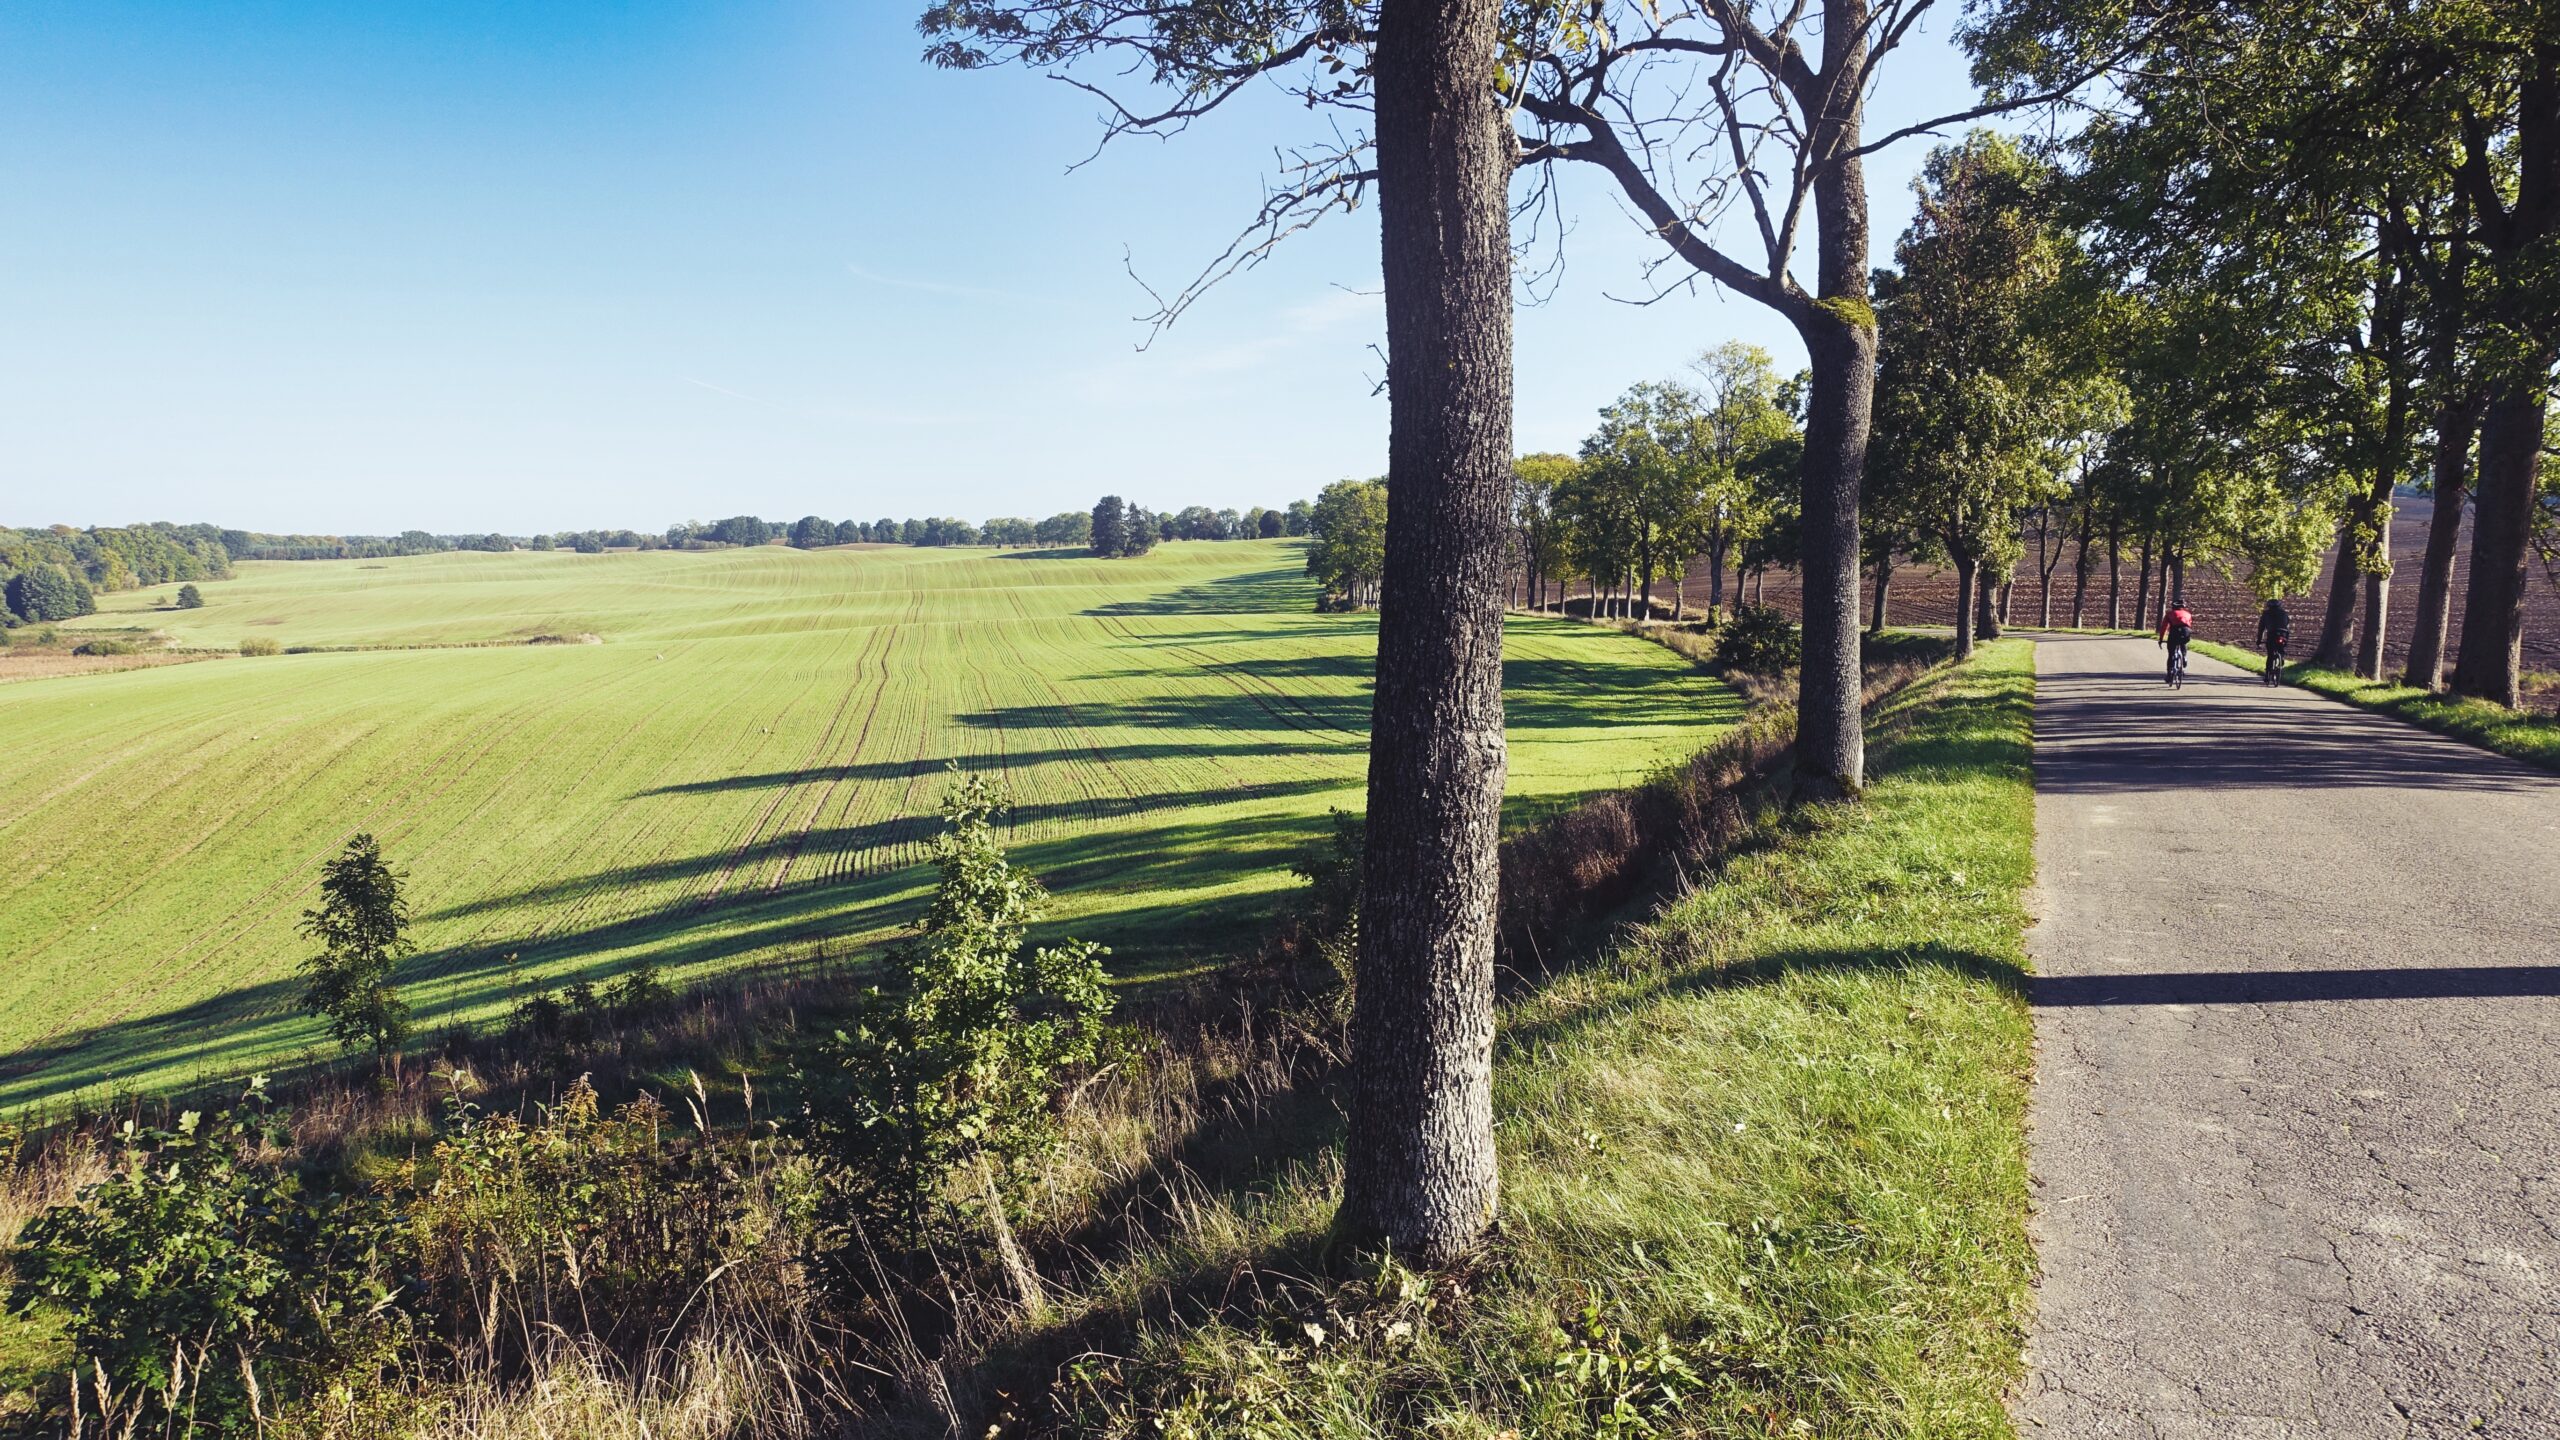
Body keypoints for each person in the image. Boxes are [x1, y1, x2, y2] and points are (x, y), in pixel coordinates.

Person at [2157, 601, 2194, 685]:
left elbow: (2164, 627)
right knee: (2183, 643)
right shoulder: (2188, 614)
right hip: (2186, 632)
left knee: (2171, 654)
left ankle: (2169, 674)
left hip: (2174, 633)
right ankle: (2184, 657)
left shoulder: (2169, 614)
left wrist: (2161, 639)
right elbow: (2189, 624)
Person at [2255, 597, 2291, 684]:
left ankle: (2267, 675)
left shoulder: (2266, 614)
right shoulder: (2284, 613)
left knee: (2270, 654)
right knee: (2281, 647)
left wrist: (2259, 640)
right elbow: (2287, 625)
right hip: (2284, 634)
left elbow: (2261, 628)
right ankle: (2281, 657)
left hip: (2272, 634)